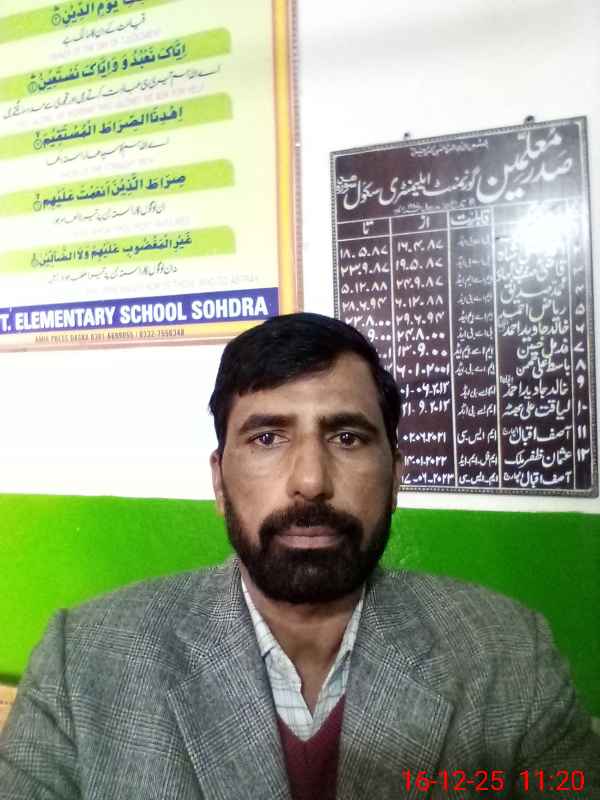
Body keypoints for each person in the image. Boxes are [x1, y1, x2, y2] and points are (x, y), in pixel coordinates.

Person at [0, 312, 598, 800]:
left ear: (396, 477)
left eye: (348, 437)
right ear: (219, 480)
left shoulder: (510, 654)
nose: (310, 482)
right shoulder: (83, 662)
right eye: (267, 437)